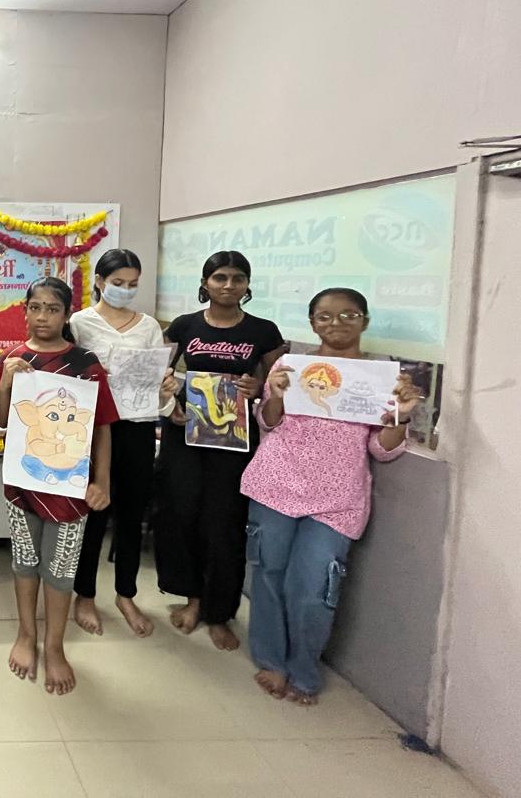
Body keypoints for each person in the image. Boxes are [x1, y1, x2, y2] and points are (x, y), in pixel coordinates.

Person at [243, 288, 420, 704]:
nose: (335, 325)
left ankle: (304, 670)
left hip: (337, 498)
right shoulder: (290, 366)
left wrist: (401, 415)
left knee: (314, 588)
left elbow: (383, 449)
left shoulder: (381, 379)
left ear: (365, 321)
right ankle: (272, 661)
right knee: (269, 574)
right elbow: (268, 424)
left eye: (347, 316)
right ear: (311, 323)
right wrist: (278, 396)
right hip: (276, 485)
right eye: (324, 317)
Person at [0, 277, 119, 695]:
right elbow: (0, 419)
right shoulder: (14, 358)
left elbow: (101, 426)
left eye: (52, 309)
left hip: (71, 489)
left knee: (61, 570)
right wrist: (9, 381)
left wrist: (102, 481)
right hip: (23, 484)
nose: (42, 316)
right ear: (24, 310)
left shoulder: (85, 362)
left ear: (66, 315)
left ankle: (55, 646)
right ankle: (27, 634)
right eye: (34, 307)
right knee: (25, 562)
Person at [157, 251, 286, 651]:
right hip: (184, 438)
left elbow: (281, 385)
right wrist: (171, 402)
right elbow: (157, 374)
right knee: (182, 517)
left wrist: (257, 389)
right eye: (220, 278)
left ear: (247, 285)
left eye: (237, 278)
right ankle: (192, 600)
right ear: (205, 282)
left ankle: (219, 613)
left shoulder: (264, 331)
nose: (228, 285)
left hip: (233, 443)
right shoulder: (185, 325)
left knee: (224, 527)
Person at [68, 249, 179, 638]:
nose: (125, 291)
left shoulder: (148, 325)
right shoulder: (79, 322)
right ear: (99, 281)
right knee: (93, 512)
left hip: (137, 426)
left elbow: (158, 376)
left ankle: (126, 594)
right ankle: (84, 594)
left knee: (131, 513)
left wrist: (167, 385)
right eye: (118, 284)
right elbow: (68, 371)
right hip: (95, 428)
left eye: (132, 285)